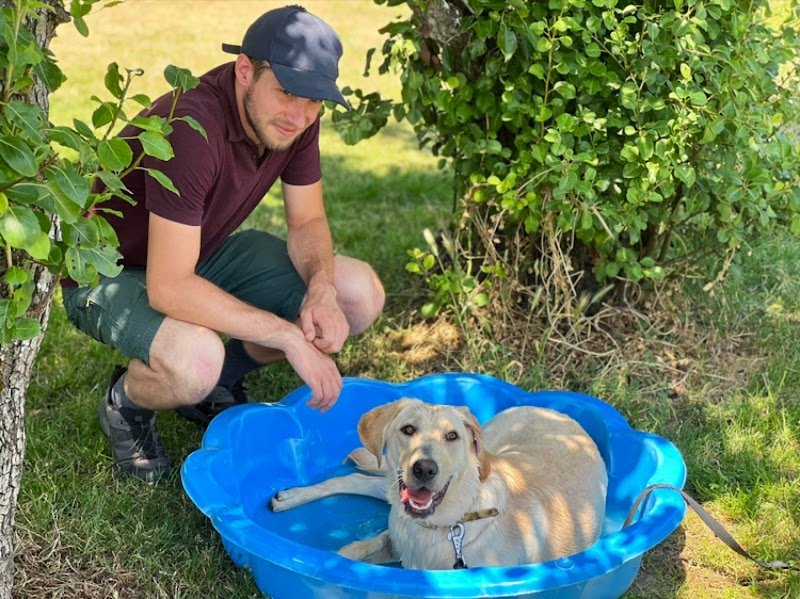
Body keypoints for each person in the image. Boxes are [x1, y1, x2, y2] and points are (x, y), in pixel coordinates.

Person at [61, 5, 385, 484]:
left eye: (314, 101)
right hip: (109, 271)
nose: (300, 116)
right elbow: (168, 289)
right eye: (288, 93)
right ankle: (125, 403)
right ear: (245, 70)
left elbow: (309, 220)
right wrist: (287, 335)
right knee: (195, 361)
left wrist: (321, 289)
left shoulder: (295, 119)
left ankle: (221, 378)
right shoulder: (191, 128)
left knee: (357, 294)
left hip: (200, 250)